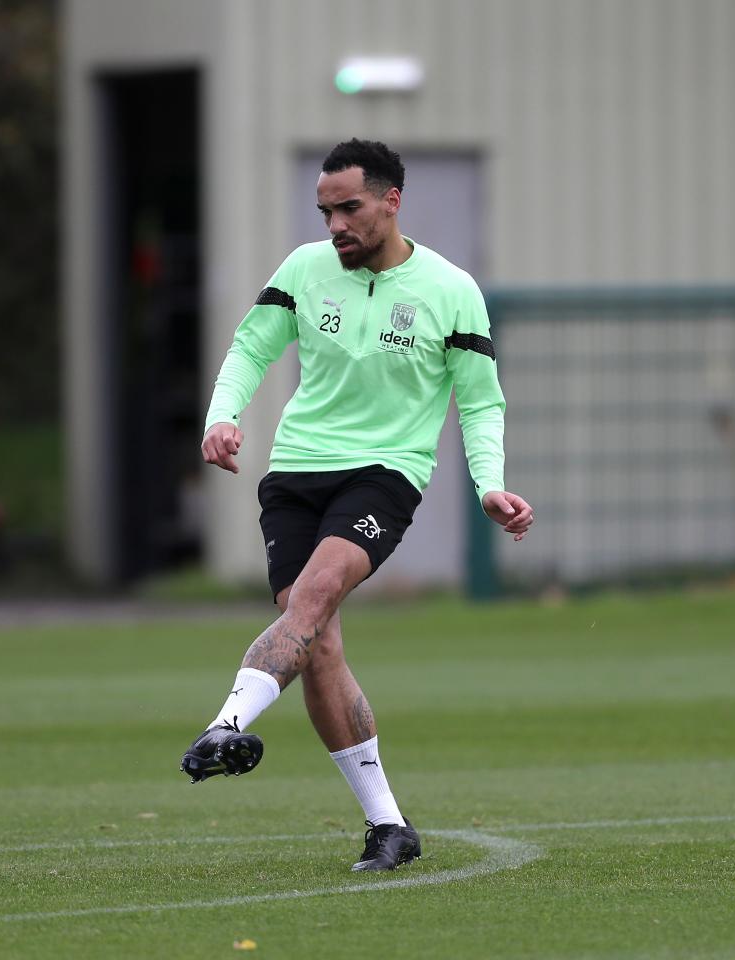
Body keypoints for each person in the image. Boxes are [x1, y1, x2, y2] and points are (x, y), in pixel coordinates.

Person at [181, 139, 533, 871]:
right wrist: (223, 415)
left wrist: (488, 483)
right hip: (294, 475)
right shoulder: (304, 271)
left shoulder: (450, 289)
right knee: (318, 646)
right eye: (325, 211)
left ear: (391, 201)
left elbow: (479, 403)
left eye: (348, 209)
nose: (334, 225)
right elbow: (251, 348)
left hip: (384, 475)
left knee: (306, 605)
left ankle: (225, 724)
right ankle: (389, 827)